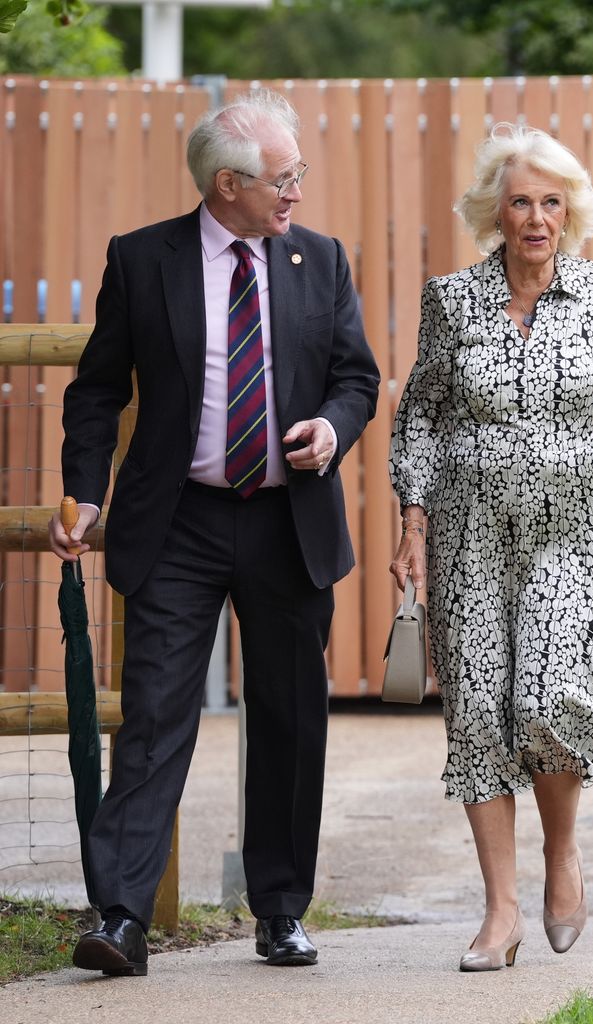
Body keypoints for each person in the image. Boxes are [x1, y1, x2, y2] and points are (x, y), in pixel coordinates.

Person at [49, 89, 379, 976]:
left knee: (289, 720)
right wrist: (84, 494)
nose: (296, 193)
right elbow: (97, 389)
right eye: (285, 178)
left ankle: (279, 912)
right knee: (154, 718)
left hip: (288, 520)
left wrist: (333, 429)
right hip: (178, 524)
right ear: (228, 185)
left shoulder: (321, 259)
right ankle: (120, 917)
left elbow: (357, 378)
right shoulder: (143, 258)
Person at [389, 123, 593, 972]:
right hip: (469, 533)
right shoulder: (452, 301)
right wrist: (413, 524)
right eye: (520, 201)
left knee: (553, 698)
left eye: (551, 202)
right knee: (479, 710)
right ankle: (500, 912)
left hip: (573, 531)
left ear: (571, 212)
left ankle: (562, 855)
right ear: (496, 211)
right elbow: (425, 416)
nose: (535, 218)